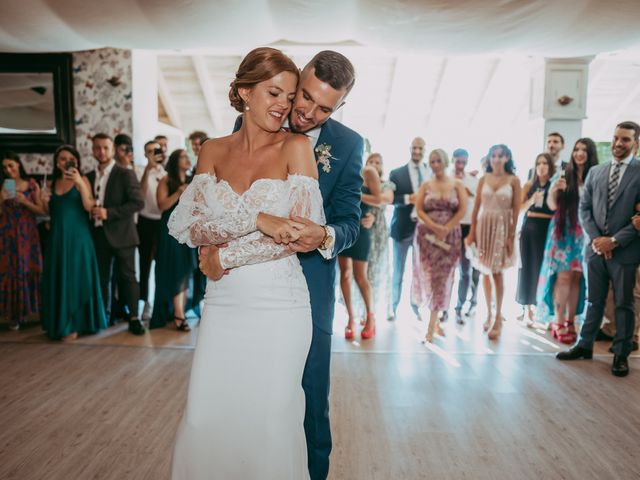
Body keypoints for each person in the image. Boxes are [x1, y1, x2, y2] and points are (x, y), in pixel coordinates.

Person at [196, 49, 363, 480]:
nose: (305, 111)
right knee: (238, 392)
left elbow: (349, 221)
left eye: (324, 107)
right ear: (299, 78)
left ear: (340, 106)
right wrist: (211, 252)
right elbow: (223, 204)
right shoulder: (253, 121)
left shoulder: (347, 145)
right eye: (303, 96)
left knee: (309, 393)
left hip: (307, 285)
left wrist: (325, 235)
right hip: (243, 284)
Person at [558, 121, 640, 377]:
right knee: (593, 300)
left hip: (624, 251)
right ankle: (584, 345)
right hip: (593, 250)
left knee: (624, 303)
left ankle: (621, 353)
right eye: (616, 138)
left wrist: (614, 241)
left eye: (625, 139)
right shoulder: (596, 172)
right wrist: (597, 240)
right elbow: (584, 209)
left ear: (635, 142)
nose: (618, 144)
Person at [40, 145, 107, 341]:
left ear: (76, 162)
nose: (66, 161)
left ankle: (77, 324)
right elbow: (47, 212)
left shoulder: (82, 179)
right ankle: (61, 323)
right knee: (59, 276)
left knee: (77, 277)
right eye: (62, 158)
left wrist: (80, 183)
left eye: (70, 158)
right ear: (57, 162)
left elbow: (89, 206)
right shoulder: (52, 183)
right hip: (58, 238)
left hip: (78, 238)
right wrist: (43, 199)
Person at [535, 139, 598, 342]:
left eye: (584, 150)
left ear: (590, 153)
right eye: (576, 149)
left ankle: (572, 321)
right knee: (562, 277)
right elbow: (552, 206)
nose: (579, 153)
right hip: (564, 231)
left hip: (585, 232)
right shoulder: (563, 175)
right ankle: (558, 320)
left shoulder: (595, 176)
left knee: (577, 277)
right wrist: (555, 190)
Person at [86, 133, 145, 336]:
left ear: (112, 149)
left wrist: (108, 213)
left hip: (123, 234)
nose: (101, 151)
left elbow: (138, 203)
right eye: (97, 148)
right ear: (92, 150)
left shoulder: (125, 173)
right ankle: (105, 316)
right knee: (102, 278)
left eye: (105, 147)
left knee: (128, 277)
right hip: (98, 234)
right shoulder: (89, 176)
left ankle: (134, 318)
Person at [466, 144, 521, 340]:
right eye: (494, 156)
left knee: (497, 272)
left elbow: (516, 211)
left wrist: (510, 237)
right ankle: (488, 313)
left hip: (503, 227)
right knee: (485, 271)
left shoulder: (514, 180)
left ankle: (498, 317)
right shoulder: (483, 179)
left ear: (507, 158)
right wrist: (472, 233)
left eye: (501, 156)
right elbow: (475, 209)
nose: (497, 159)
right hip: (484, 225)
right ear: (489, 159)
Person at [412, 149, 467, 342]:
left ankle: (434, 323)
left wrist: (446, 228)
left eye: (437, 161)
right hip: (427, 236)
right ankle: (432, 324)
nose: (434, 164)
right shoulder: (426, 185)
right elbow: (419, 209)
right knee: (428, 276)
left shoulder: (457, 184)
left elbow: (462, 210)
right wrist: (434, 226)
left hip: (450, 237)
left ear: (444, 162)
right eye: (432, 161)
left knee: (443, 279)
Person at [149, 149, 196, 331]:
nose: (187, 159)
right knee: (174, 269)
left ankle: (179, 312)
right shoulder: (166, 181)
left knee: (185, 269)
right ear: (176, 160)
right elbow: (162, 206)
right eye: (183, 156)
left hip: (188, 230)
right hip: (170, 231)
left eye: (187, 156)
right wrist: (178, 192)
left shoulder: (194, 180)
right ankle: (178, 315)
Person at [347, 153, 395, 321]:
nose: (374, 164)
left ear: (382, 166)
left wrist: (355, 195)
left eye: (378, 162)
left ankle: (371, 314)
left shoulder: (386, 184)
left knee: (372, 273)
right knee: (356, 275)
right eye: (371, 161)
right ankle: (359, 313)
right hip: (361, 227)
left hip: (377, 231)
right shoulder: (360, 180)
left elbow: (385, 200)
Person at [0, 152, 44, 330]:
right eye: (4, 168)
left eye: (11, 165)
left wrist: (25, 201)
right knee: (9, 270)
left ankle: (31, 312)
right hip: (7, 233)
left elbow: (42, 211)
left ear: (18, 164)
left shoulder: (31, 184)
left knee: (27, 269)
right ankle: (13, 316)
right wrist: (1, 199)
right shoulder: (4, 186)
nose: (8, 170)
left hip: (27, 233)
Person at [338, 161, 381, 339]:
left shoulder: (369, 172)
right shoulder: (342, 169)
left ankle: (370, 316)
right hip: (343, 226)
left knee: (361, 276)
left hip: (362, 229)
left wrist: (356, 196)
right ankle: (350, 318)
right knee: (345, 274)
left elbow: (378, 200)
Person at [389, 137, 429, 321]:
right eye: (414, 148)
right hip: (402, 228)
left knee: (419, 271)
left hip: (423, 231)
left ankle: (416, 306)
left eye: (420, 148)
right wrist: (407, 199)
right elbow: (390, 199)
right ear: (410, 148)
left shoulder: (429, 172)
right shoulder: (396, 173)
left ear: (424, 150)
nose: (417, 151)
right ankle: (393, 307)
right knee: (398, 270)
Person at [516, 153, 555, 325]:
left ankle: (544, 309)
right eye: (538, 163)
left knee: (544, 268)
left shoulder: (554, 185)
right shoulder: (528, 185)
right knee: (527, 268)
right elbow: (520, 209)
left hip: (547, 229)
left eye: (545, 163)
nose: (541, 166)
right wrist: (532, 200)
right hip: (530, 229)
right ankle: (527, 308)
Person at [137, 140, 167, 320]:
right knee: (144, 264)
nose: (152, 154)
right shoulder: (140, 171)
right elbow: (140, 196)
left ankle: (160, 304)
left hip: (161, 222)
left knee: (161, 264)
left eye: (155, 150)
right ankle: (145, 303)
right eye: (149, 151)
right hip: (145, 221)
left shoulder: (166, 173)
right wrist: (148, 169)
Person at [452, 148, 480, 324]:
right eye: (458, 161)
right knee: (447, 272)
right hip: (449, 228)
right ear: (452, 160)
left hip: (468, 228)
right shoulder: (446, 179)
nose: (461, 165)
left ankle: (459, 307)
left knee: (466, 271)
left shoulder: (473, 181)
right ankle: (442, 309)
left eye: (464, 162)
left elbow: (478, 207)